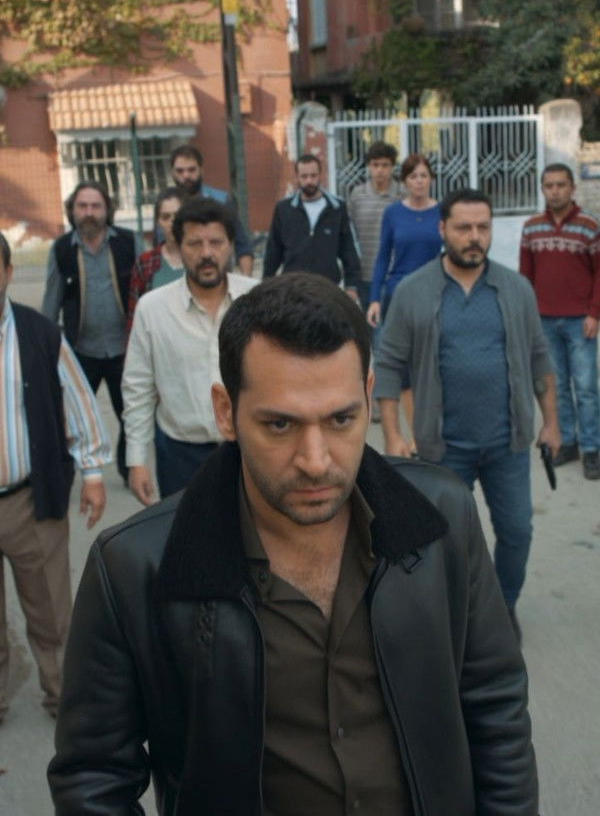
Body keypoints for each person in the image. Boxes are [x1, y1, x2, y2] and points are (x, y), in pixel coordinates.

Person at [49, 272, 538, 815]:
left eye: (341, 419)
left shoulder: (443, 517)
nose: (315, 460)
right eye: (280, 425)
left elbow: (495, 705)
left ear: (369, 395)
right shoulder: (134, 568)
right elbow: (92, 776)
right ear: (225, 412)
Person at [375, 189, 561, 638]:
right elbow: (389, 364)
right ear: (442, 229)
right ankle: (456, 612)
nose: (474, 237)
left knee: (517, 532)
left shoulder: (516, 289)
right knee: (443, 539)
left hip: (507, 444)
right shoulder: (413, 291)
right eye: (464, 228)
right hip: (443, 447)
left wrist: (552, 422)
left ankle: (503, 605)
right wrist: (394, 434)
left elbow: (539, 357)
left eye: (483, 227)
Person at [0, 232, 110, 722]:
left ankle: (62, 698)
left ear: (7, 273)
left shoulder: (41, 334)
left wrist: (93, 472)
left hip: (30, 499)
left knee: (50, 612)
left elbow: (80, 400)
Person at [123, 196, 257, 504]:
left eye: (216, 242)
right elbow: (138, 388)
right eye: (195, 243)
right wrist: (137, 460)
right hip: (179, 457)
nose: (206, 253)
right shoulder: (152, 309)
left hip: (249, 450)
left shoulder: (257, 299)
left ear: (231, 245)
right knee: (184, 532)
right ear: (178, 247)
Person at [41, 181, 142, 482]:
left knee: (130, 415)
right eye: (82, 206)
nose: (89, 212)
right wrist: (44, 346)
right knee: (70, 418)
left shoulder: (129, 242)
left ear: (107, 210)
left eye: (95, 206)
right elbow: (51, 301)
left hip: (125, 350)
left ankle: (129, 469)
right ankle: (67, 473)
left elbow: (145, 291)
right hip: (80, 351)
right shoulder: (62, 249)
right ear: (72, 211)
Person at [520, 163, 600, 480]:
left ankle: (592, 449)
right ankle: (568, 442)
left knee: (586, 388)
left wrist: (594, 312)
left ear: (572, 188)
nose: (555, 191)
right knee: (558, 388)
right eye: (549, 185)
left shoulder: (589, 226)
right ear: (542, 189)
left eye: (561, 185)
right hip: (544, 322)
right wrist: (528, 318)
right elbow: (525, 278)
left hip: (581, 321)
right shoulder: (531, 228)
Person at [263, 154, 361, 300]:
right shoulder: (283, 209)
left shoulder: (336, 208)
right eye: (304, 176)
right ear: (296, 178)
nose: (309, 181)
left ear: (321, 175)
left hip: (328, 288)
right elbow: (273, 251)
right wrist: (266, 285)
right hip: (293, 290)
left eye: (313, 175)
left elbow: (348, 250)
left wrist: (351, 286)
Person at [367, 153, 442, 328]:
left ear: (431, 179)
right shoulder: (393, 213)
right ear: (404, 181)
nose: (419, 181)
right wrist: (375, 299)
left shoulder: (443, 212)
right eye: (413, 176)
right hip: (399, 291)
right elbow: (383, 257)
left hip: (434, 290)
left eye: (423, 175)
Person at [170, 144, 254, 276]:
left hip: (218, 279)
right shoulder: (167, 207)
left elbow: (242, 245)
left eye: (191, 170)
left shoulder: (221, 201)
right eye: (180, 171)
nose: (186, 175)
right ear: (172, 173)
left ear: (201, 170)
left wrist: (247, 282)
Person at [346, 140, 402, 311]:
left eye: (385, 165)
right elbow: (349, 233)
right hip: (367, 274)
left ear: (392, 167)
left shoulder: (403, 193)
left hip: (396, 274)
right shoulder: (357, 195)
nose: (380, 170)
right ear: (369, 166)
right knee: (370, 324)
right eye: (375, 165)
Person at [126, 185, 187, 331]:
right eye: (165, 217)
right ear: (158, 222)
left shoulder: (202, 259)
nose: (172, 222)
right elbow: (135, 319)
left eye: (178, 215)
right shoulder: (145, 263)